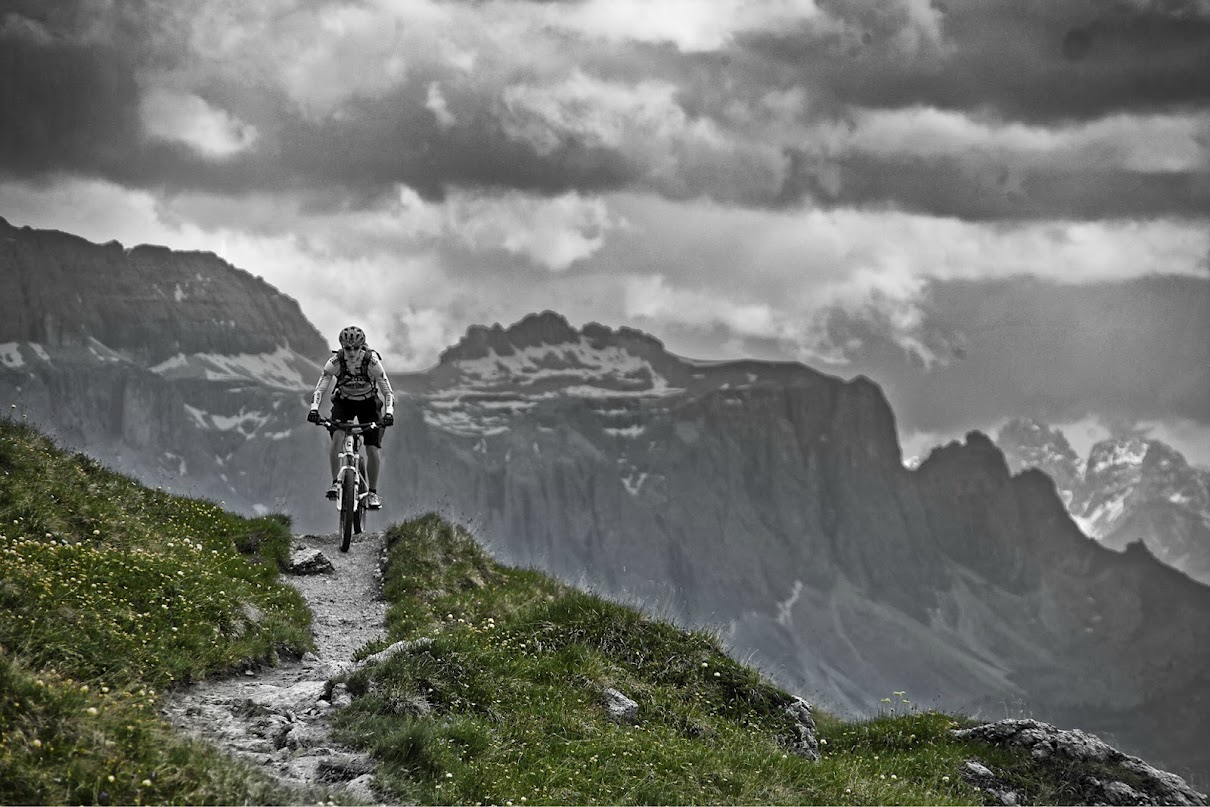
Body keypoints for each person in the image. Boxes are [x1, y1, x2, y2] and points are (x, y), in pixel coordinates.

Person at [307, 325, 395, 509]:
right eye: (348, 348)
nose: (352, 352)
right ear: (342, 347)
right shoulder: (336, 362)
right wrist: (314, 409)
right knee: (337, 438)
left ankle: (372, 493)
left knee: (372, 448)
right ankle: (335, 483)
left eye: (356, 348)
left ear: (362, 346)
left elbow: (387, 392)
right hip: (344, 402)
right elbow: (320, 387)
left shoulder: (372, 362)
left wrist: (388, 414)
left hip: (369, 403)